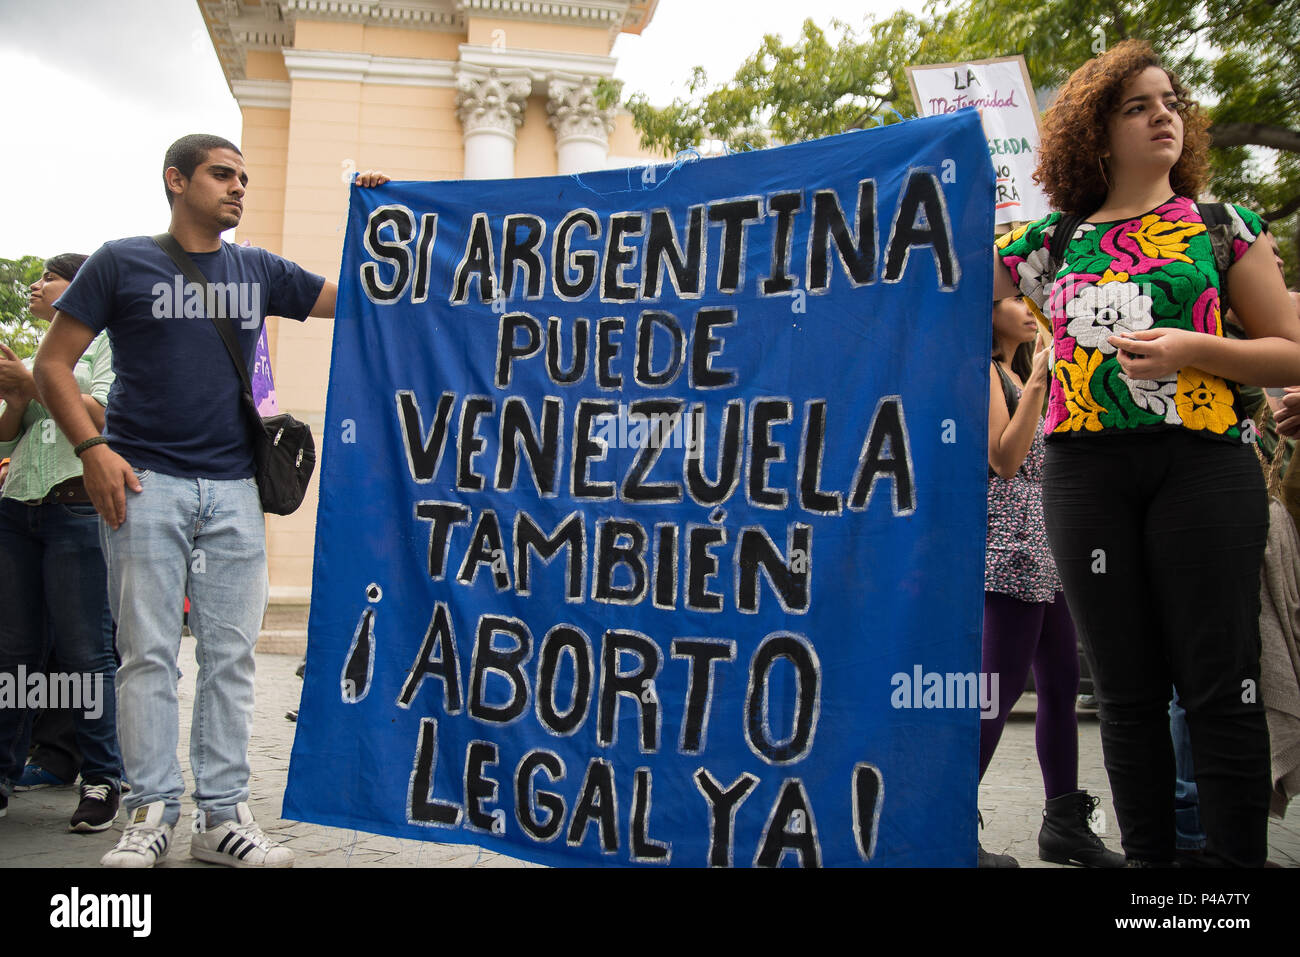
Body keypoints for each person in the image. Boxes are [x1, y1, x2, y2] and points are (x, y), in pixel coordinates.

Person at [32, 133, 388, 868]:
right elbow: (52, 364)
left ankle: (221, 818)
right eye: (222, 174)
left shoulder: (256, 268)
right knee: (148, 658)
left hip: (234, 489)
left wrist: (382, 216)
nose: (238, 187)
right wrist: (92, 451)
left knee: (231, 657)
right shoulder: (121, 260)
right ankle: (150, 812)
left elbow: (357, 297)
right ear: (176, 179)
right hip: (144, 482)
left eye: (244, 178)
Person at [993, 40, 1300, 867]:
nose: (1164, 114)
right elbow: (932, 275)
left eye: (1170, 101)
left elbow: (1294, 347)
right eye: (1138, 105)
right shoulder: (1047, 242)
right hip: (1085, 475)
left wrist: (1197, 350)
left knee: (1218, 691)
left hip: (1204, 469)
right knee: (1124, 697)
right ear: (1095, 131)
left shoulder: (1219, 225)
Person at [977, 294, 1123, 868]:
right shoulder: (986, 372)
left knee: (1061, 686)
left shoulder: (1015, 370)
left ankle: (1064, 824)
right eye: (1014, 297)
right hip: (1010, 546)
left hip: (1049, 544)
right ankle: (950, 820)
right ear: (986, 313)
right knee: (995, 691)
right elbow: (1002, 460)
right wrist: (1039, 377)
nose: (1026, 304)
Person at [0, 253, 123, 831]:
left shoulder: (107, 343)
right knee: (12, 652)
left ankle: (103, 777)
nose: (35, 285)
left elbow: (97, 414)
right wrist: (19, 396)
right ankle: (3, 772)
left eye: (48, 276)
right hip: (16, 510)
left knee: (85, 653)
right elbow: (8, 432)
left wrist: (36, 381)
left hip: (77, 510)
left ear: (80, 288)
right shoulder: (26, 358)